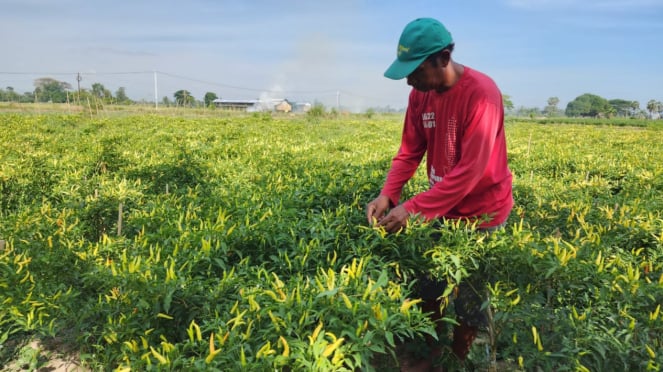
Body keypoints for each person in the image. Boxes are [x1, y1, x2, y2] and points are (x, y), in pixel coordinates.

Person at [365, 17, 513, 369]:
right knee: (426, 290)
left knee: (471, 305)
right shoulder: (420, 96)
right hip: (441, 211)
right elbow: (409, 151)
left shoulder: (482, 95)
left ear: (443, 58)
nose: (408, 80)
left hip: (483, 215)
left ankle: (467, 361)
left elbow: (471, 171)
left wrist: (412, 209)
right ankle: (422, 359)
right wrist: (389, 194)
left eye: (414, 70)